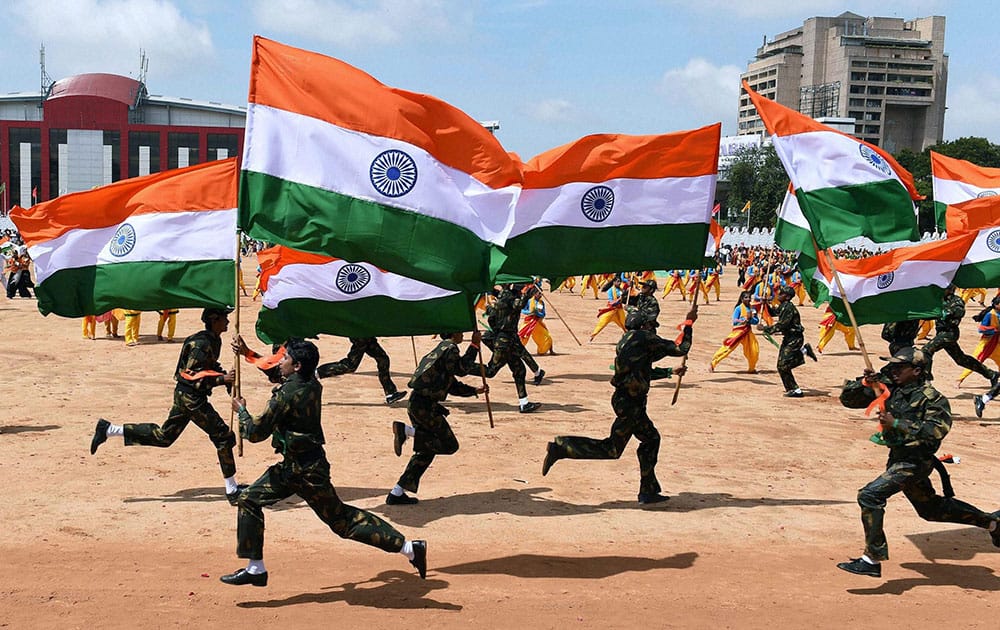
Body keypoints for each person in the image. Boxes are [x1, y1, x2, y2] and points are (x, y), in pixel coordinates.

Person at [222, 339, 426, 586]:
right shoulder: (310, 382)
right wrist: (248, 354)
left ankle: (408, 548)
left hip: (303, 471)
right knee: (250, 500)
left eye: (284, 359)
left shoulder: (286, 395)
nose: (280, 362)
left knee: (342, 522)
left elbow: (254, 433)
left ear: (296, 366)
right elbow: (275, 372)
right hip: (300, 466)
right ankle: (255, 568)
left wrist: (241, 411)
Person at [836, 346, 1000, 578]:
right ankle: (993, 524)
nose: (892, 370)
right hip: (898, 458)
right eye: (891, 366)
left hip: (915, 462)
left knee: (870, 495)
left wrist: (897, 423)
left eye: (899, 367)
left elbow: (935, 432)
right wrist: (864, 384)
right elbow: (847, 400)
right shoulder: (891, 387)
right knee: (931, 510)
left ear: (916, 370)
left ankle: (872, 559)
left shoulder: (933, 399)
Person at [541, 307, 696, 504]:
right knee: (612, 449)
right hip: (631, 403)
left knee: (651, 439)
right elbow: (680, 348)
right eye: (651, 326)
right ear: (644, 325)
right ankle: (562, 447)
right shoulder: (645, 338)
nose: (653, 330)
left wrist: (669, 372)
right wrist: (689, 324)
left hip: (627, 400)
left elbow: (641, 368)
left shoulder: (627, 340)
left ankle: (648, 490)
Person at [90, 308, 243, 504]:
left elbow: (209, 368)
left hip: (188, 397)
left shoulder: (213, 340)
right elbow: (190, 376)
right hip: (191, 398)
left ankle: (110, 430)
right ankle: (232, 490)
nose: (228, 322)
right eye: (224, 318)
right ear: (214, 321)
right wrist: (222, 379)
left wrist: (226, 377)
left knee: (164, 437)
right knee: (223, 436)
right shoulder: (201, 343)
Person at [387, 330, 488, 505]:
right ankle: (407, 431)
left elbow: (451, 384)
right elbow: (462, 369)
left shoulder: (440, 350)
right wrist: (474, 345)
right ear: (453, 334)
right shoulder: (450, 348)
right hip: (425, 408)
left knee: (426, 451)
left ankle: (397, 492)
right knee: (449, 445)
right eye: (460, 332)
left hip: (419, 405)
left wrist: (474, 391)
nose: (462, 334)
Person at [483, 283, 542, 412]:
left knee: (519, 370)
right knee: (490, 371)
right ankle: (461, 368)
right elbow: (518, 305)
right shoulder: (508, 297)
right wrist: (527, 295)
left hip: (505, 340)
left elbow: (492, 315)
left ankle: (524, 403)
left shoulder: (501, 297)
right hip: (505, 340)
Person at [923, 285, 998, 386]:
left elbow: (958, 312)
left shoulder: (956, 301)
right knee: (961, 359)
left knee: (926, 350)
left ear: (950, 289)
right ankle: (991, 374)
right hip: (941, 332)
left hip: (949, 333)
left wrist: (941, 313)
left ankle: (926, 379)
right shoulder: (940, 300)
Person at [760, 286, 816, 397]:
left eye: (781, 294)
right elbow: (774, 312)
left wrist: (765, 329)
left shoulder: (788, 308)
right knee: (781, 365)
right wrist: (765, 304)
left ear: (787, 297)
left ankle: (795, 389)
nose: (778, 295)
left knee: (783, 365)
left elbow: (782, 325)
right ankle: (804, 352)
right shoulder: (784, 306)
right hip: (788, 338)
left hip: (794, 339)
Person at [316, 337, 407, 405]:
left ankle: (390, 393)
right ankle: (317, 373)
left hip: (367, 335)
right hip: (360, 336)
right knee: (350, 365)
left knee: (383, 359)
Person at [710, 291, 759, 373]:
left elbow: (756, 321)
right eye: (746, 297)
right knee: (728, 348)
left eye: (749, 297)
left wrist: (751, 319)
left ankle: (752, 368)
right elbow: (734, 320)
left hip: (748, 332)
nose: (748, 299)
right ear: (742, 299)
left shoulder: (752, 308)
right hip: (738, 332)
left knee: (754, 350)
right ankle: (713, 363)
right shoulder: (738, 308)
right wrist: (743, 320)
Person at [956, 294, 1000, 386]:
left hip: (997, 343)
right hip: (986, 343)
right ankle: (960, 379)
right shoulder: (990, 314)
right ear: (996, 305)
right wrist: (994, 330)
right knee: (976, 361)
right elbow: (981, 329)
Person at [519, 288, 553, 356]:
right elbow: (523, 310)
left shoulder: (541, 303)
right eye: (539, 293)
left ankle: (546, 350)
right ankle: (517, 350)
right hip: (528, 322)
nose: (541, 295)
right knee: (522, 336)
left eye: (541, 293)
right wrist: (530, 312)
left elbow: (543, 314)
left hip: (537, 322)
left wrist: (536, 313)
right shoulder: (529, 301)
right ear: (534, 294)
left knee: (547, 336)